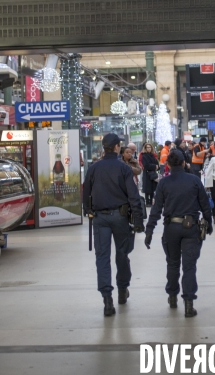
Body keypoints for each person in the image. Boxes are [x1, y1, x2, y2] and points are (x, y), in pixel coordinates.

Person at [144, 149, 212, 317]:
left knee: (173, 264)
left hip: (171, 228)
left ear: (168, 164)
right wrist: (208, 223)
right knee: (189, 266)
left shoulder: (164, 183)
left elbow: (156, 208)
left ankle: (172, 296)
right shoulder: (195, 181)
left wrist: (150, 230)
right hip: (191, 228)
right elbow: (205, 204)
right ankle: (189, 304)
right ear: (184, 163)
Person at [83, 133, 144, 317]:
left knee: (102, 258)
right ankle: (122, 289)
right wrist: (139, 220)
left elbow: (86, 192)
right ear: (117, 147)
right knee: (122, 254)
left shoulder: (94, 168)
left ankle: (107, 298)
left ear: (103, 147)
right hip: (121, 216)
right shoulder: (123, 168)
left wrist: (88, 210)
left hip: (100, 218)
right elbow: (133, 196)